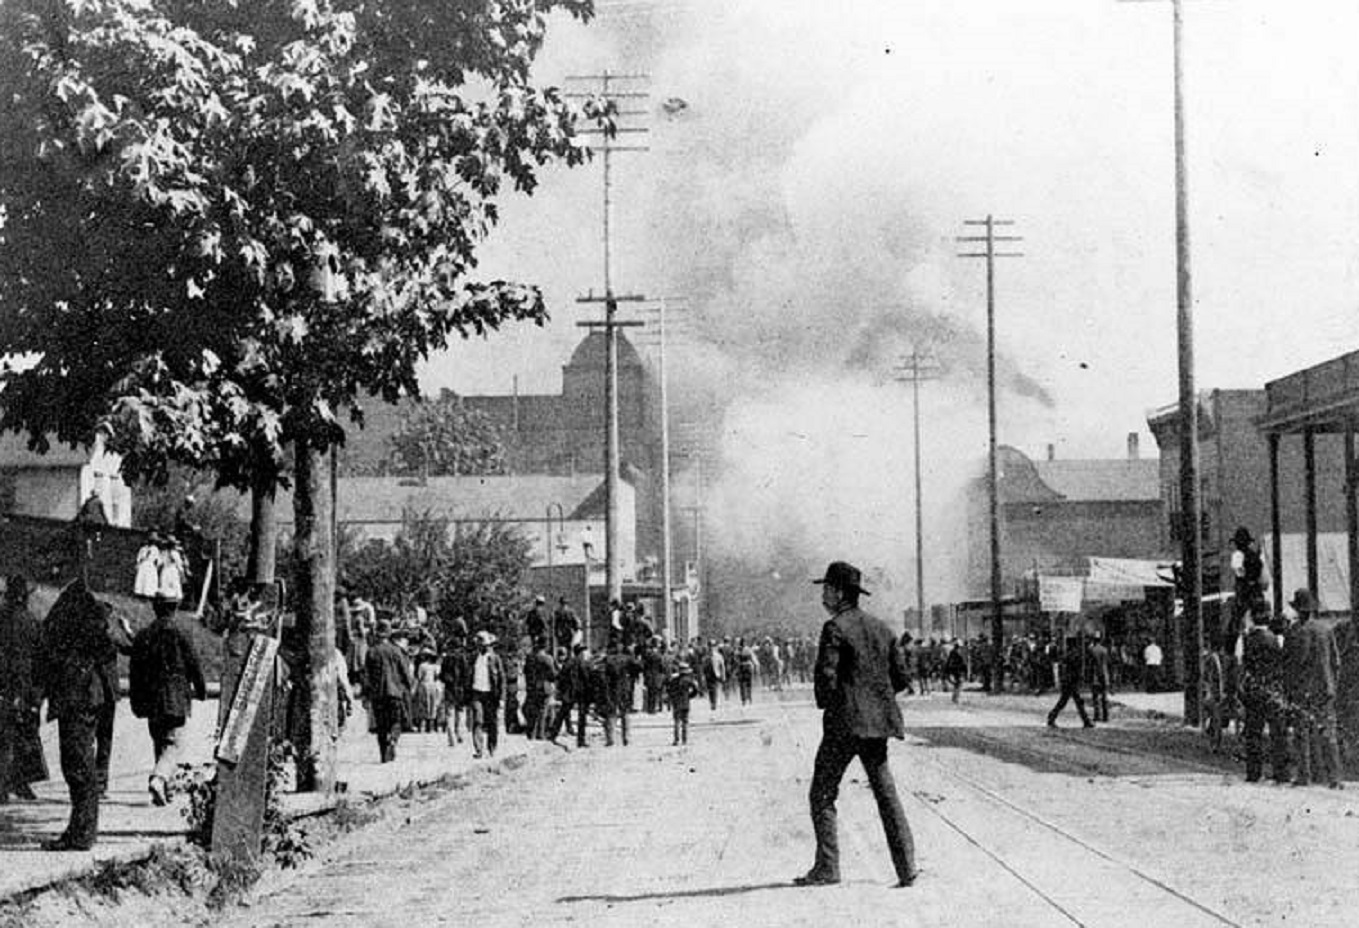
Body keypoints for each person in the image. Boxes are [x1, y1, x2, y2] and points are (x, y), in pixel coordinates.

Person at [798, 560, 918, 889]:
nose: (823, 595)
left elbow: (826, 678)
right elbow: (901, 679)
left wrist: (837, 704)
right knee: (886, 794)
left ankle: (827, 867)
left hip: (843, 726)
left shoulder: (834, 627)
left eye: (826, 589)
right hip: (877, 727)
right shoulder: (883, 629)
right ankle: (907, 868)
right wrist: (872, 702)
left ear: (839, 593)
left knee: (821, 793)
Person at [37, 579, 130, 851]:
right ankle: (81, 830)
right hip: (88, 699)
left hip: (78, 701)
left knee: (78, 766)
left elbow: (49, 655)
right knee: (80, 765)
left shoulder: (78, 632)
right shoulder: (93, 631)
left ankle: (81, 833)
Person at [129, 596, 206, 805]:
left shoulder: (144, 635)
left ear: (155, 608)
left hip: (151, 697)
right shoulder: (181, 632)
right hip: (175, 696)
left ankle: (166, 791)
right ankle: (160, 778)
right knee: (174, 743)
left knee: (159, 741)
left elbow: (135, 669)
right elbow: (194, 664)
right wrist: (201, 690)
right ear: (176, 608)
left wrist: (137, 700)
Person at [1282, 589, 1342, 789]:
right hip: (1325, 689)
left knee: (1302, 732)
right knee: (1328, 733)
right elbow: (1336, 661)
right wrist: (1332, 684)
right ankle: (1335, 777)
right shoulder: (1326, 629)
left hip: (1303, 690)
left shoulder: (1294, 632)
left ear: (1298, 610)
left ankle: (1304, 776)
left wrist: (1289, 689)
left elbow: (1291, 664)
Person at [0, 575, 47, 803]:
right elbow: (41, 660)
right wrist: (38, 695)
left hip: (5, 684)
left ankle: (4, 785)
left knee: (5, 736)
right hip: (26, 686)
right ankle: (20, 782)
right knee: (25, 734)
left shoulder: (2, 620)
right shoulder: (32, 622)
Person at [1240, 608, 1289, 784]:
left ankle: (1254, 773)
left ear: (1253, 619)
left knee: (1254, 733)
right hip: (1274, 690)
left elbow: (1244, 664)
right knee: (1278, 733)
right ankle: (1281, 773)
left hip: (1255, 690)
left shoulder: (1248, 640)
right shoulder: (1276, 639)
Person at [364, 620, 414, 763]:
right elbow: (404, 672)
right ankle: (393, 739)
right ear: (389, 633)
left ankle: (383, 756)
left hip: (378, 694)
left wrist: (366, 695)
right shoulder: (396, 651)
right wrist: (408, 687)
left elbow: (366, 676)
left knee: (381, 725)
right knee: (396, 721)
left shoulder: (371, 651)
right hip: (395, 693)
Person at [469, 630, 505, 759]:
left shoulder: (495, 659)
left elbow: (501, 679)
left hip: (491, 694)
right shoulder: (474, 658)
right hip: (477, 693)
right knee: (478, 720)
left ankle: (491, 748)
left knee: (491, 722)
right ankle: (479, 750)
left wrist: (501, 698)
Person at [1046, 636, 1094, 729]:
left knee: (1066, 702)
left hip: (1067, 681)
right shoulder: (1074, 655)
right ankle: (1086, 721)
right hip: (1071, 682)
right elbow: (1076, 669)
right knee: (1075, 702)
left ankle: (1052, 717)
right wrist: (1080, 678)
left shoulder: (1066, 655)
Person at [440, 635, 471, 746]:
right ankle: (460, 734)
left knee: (450, 714)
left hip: (449, 689)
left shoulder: (446, 659)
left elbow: (442, 676)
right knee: (460, 713)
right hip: (460, 689)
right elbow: (467, 675)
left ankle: (451, 738)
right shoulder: (463, 658)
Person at [667, 659, 700, 746]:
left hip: (676, 703)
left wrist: (672, 698)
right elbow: (696, 689)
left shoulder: (673, 680)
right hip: (685, 702)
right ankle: (684, 740)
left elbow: (669, 690)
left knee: (676, 722)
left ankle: (676, 740)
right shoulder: (689, 680)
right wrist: (690, 696)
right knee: (685, 722)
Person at [1087, 632, 1112, 723]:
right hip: (1104, 675)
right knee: (1104, 696)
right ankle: (1106, 716)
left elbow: (1089, 663)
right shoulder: (1104, 650)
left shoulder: (1091, 650)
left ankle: (1097, 715)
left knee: (1095, 697)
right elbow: (1107, 662)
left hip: (1095, 675)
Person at [943, 639, 967, 704]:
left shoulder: (952, 652)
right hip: (958, 670)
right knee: (959, 684)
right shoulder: (958, 653)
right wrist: (965, 670)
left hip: (953, 670)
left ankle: (954, 697)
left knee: (957, 684)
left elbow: (948, 661)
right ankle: (955, 698)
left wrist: (947, 670)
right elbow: (963, 663)